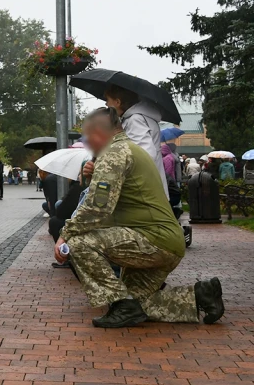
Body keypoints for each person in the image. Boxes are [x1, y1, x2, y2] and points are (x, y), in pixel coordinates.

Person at [56, 108, 223, 327]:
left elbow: (97, 209)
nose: (88, 143)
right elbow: (109, 206)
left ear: (99, 133)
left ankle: (121, 304)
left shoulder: (114, 153)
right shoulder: (129, 150)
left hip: (151, 240)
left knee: (78, 243)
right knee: (139, 304)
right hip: (165, 242)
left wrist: (64, 235)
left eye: (88, 137)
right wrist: (92, 178)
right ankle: (202, 295)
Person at [104, 84, 167, 198]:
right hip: (149, 189)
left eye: (108, 100)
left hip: (144, 191)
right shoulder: (139, 118)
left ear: (117, 102)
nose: (106, 104)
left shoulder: (135, 120)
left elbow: (145, 155)